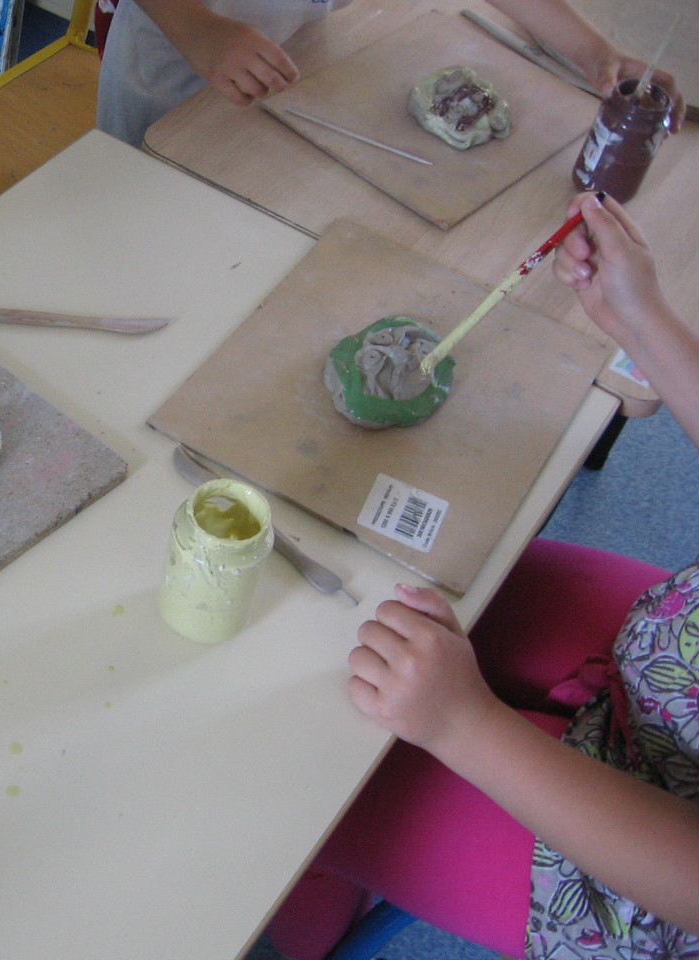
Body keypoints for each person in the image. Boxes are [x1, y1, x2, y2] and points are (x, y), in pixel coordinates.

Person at [264, 193, 699, 958]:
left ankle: (313, 912)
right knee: (418, 582)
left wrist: (464, 725)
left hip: (639, 878)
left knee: (300, 772)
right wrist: (643, 321)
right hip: (672, 654)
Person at [96, 0, 684, 147]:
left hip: (298, 55)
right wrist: (197, 27)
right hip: (175, 68)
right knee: (151, 220)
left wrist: (593, 52)